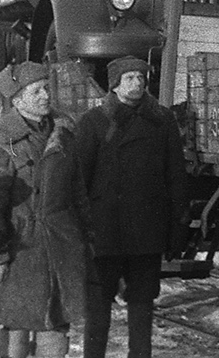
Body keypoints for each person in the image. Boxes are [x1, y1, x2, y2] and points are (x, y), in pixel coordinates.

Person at [72, 56, 188, 358]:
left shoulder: (162, 120)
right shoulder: (93, 122)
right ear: (114, 85)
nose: (136, 84)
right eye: (129, 79)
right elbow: (79, 181)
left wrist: (177, 226)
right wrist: (81, 232)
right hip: (104, 233)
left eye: (140, 78)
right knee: (98, 311)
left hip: (146, 233)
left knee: (142, 307)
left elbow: (175, 174)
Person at [0, 63, 89, 358]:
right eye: (35, 90)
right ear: (17, 100)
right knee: (17, 325)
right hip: (20, 246)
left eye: (46, 88)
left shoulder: (64, 134)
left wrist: (88, 241)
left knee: (56, 321)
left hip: (61, 244)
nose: (44, 96)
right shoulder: (2, 140)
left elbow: (79, 194)